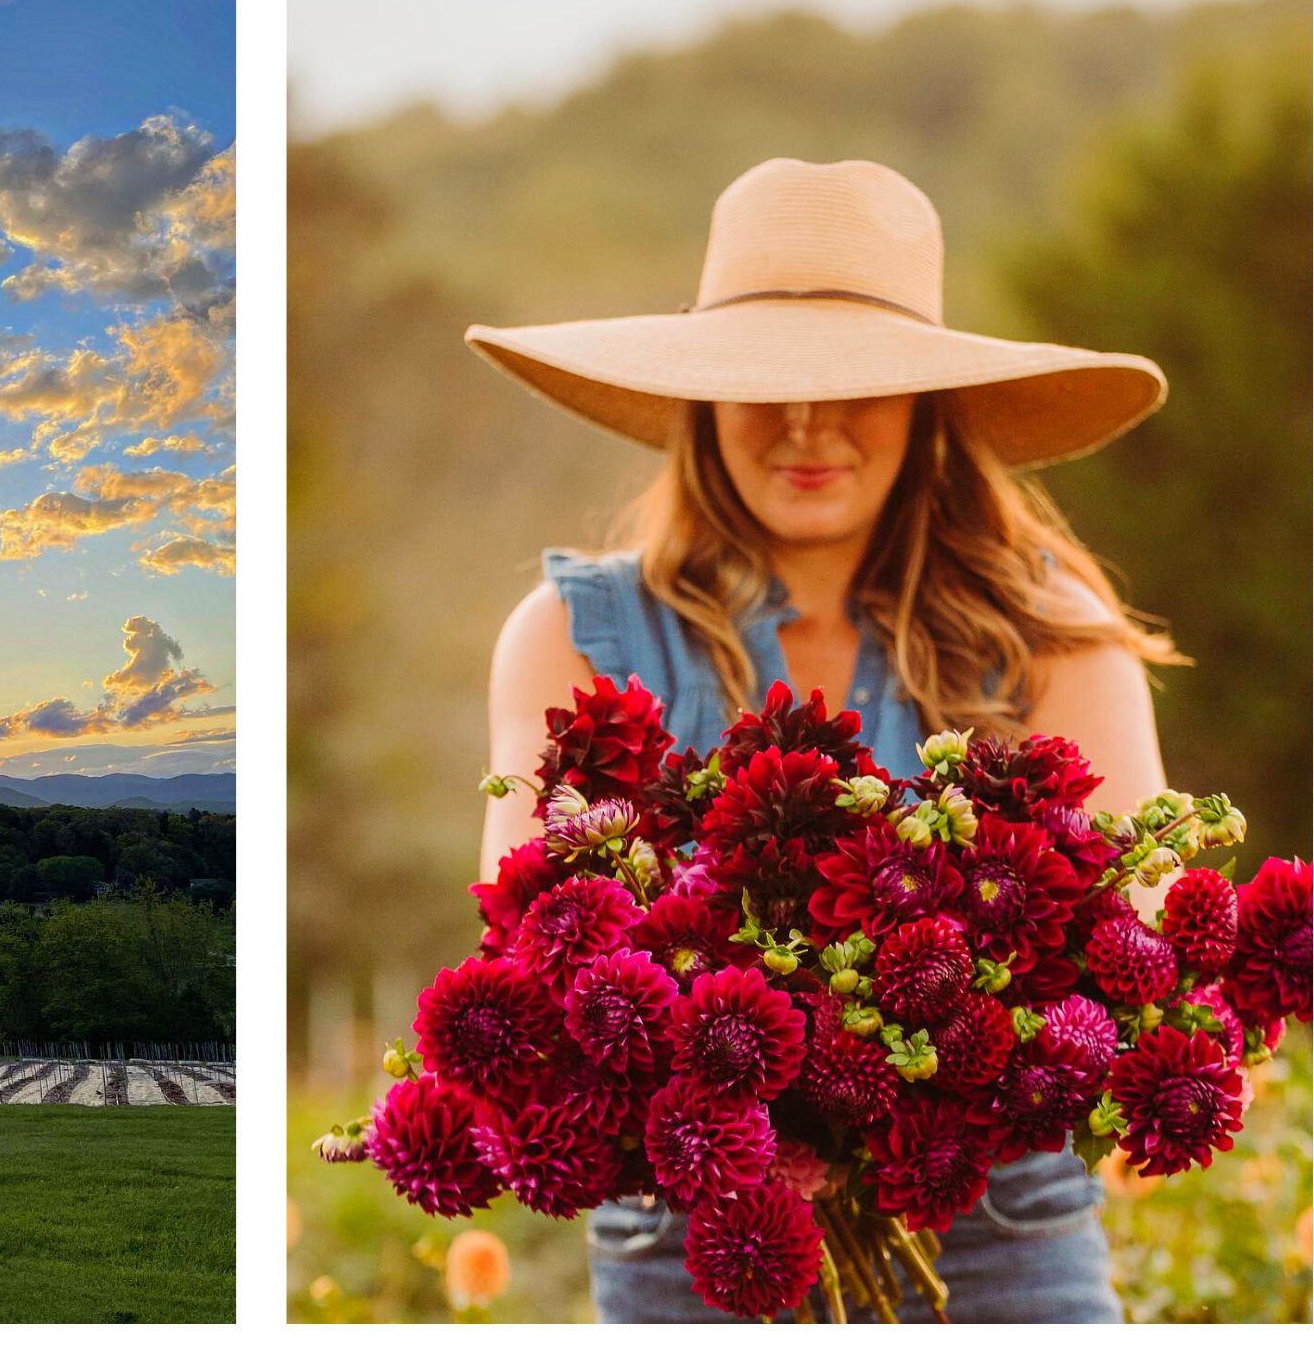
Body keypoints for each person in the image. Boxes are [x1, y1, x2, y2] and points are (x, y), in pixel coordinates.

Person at [465, 157, 1185, 1323]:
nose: (806, 426)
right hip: (682, 1241)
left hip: (998, 1241)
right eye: (764, 382)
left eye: (854, 382)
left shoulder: (1049, 634)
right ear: (701, 399)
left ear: (924, 403)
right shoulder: (570, 634)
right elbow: (529, 943)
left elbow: (1135, 952)